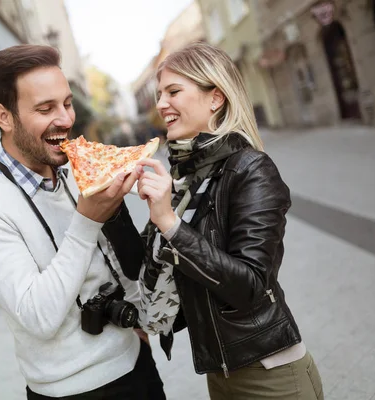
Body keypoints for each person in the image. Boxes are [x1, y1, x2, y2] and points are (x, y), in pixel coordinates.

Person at [104, 42, 324, 399]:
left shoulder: (251, 169)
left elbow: (250, 285)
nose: (161, 104)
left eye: (173, 91)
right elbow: (142, 269)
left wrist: (170, 223)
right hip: (221, 376)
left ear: (215, 98)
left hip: (271, 374)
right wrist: (110, 207)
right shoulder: (187, 178)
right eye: (160, 93)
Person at [0, 44, 165, 399]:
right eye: (45, 108)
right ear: (4, 117)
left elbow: (121, 267)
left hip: (136, 364)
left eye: (66, 103)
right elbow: (39, 317)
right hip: (70, 391)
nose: (66, 119)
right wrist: (86, 220)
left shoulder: (75, 172)